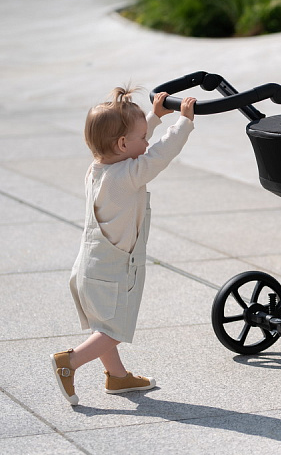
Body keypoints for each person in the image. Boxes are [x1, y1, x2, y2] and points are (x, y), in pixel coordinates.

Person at [51, 86, 196, 405]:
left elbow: (133, 142)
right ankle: (69, 362)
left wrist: (153, 118)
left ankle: (117, 377)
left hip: (90, 265)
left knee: (105, 325)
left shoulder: (98, 169)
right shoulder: (126, 176)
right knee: (115, 330)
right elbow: (160, 155)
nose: (147, 142)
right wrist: (183, 123)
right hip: (113, 271)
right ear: (121, 144)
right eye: (143, 137)